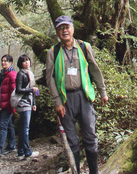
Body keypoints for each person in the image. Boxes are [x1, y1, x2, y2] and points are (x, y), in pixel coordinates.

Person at [46, 15, 108, 174]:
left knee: (90, 136)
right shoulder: (53, 52)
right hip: (65, 100)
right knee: (72, 141)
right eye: (61, 28)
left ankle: (94, 171)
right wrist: (57, 102)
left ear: (72, 28)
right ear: (57, 32)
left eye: (67, 27)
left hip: (84, 96)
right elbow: (50, 79)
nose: (64, 30)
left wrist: (102, 92)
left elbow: (94, 69)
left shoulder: (84, 46)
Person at [15, 54, 39, 161]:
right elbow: (18, 89)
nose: (27, 62)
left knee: (23, 129)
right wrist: (31, 90)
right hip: (23, 103)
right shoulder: (20, 74)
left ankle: (20, 152)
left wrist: (33, 103)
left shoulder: (29, 73)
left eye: (28, 60)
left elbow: (32, 91)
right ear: (20, 64)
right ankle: (27, 152)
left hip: (29, 102)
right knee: (25, 129)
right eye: (24, 61)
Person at [0, 55, 16, 157]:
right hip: (2, 104)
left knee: (3, 126)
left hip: (8, 105)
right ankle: (11, 145)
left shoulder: (12, 74)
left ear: (10, 63)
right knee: (8, 125)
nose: (3, 63)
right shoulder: (2, 74)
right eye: (2, 61)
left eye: (5, 61)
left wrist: (12, 106)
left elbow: (13, 92)